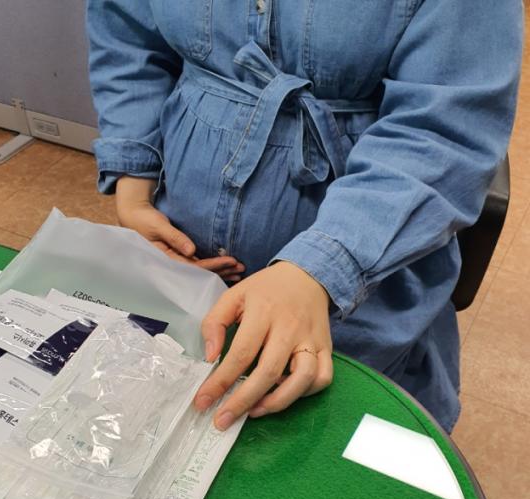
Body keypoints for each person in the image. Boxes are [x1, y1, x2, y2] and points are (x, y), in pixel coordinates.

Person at [87, 0, 523, 433]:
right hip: (184, 273)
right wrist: (133, 185)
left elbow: (444, 130)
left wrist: (323, 266)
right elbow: (126, 34)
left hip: (360, 304)